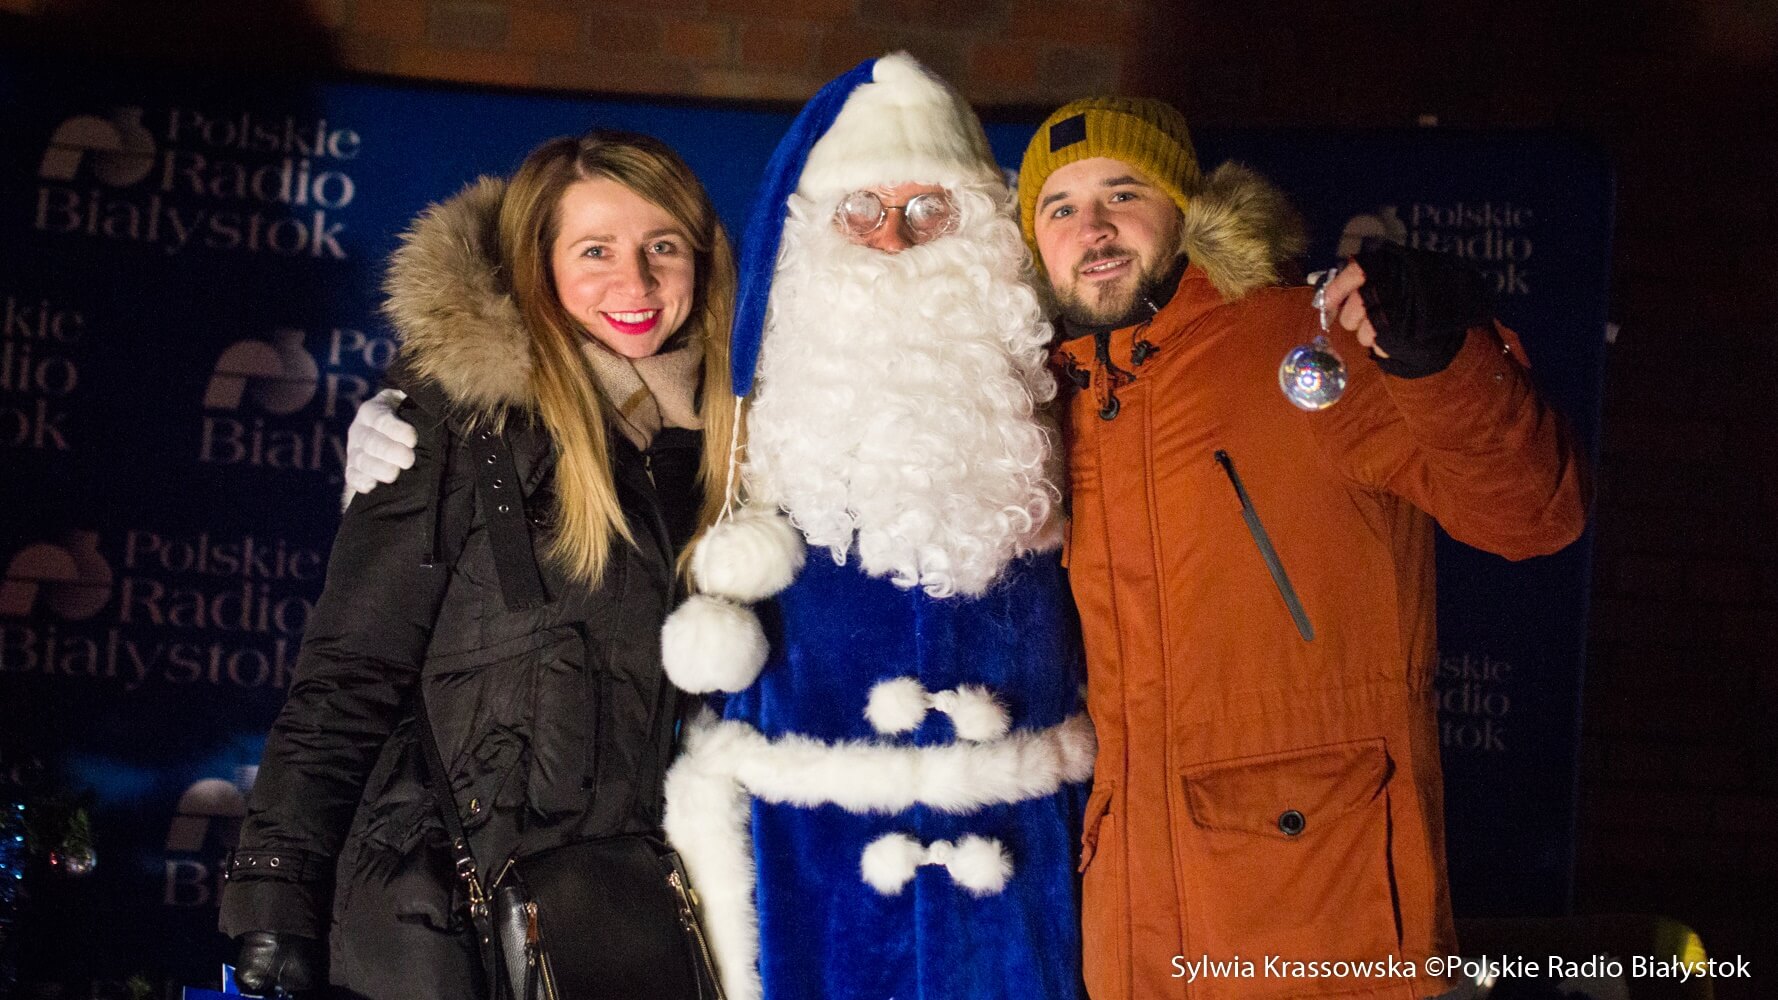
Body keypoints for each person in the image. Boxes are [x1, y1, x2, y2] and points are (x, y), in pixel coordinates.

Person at [345, 53, 1091, 1000]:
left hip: (1017, 860)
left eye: (926, 212)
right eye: (860, 210)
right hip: (780, 871)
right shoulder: (755, 411)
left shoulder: (1070, 399)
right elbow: (357, 669)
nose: (893, 241)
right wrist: (399, 422)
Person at [1015, 98, 1591, 999]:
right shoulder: (1042, 409)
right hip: (1127, 927)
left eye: (1122, 192)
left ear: (1185, 209)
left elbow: (1534, 513)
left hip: (1323, 917)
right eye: (1059, 208)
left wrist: (1441, 356)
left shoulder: (1308, 341)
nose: (1092, 227)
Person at [218, 129, 739, 998]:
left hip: (633, 930)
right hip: (441, 930)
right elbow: (349, 673)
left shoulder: (731, 452)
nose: (636, 283)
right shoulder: (462, 426)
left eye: (663, 248)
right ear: (539, 263)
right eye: (595, 250)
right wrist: (275, 893)